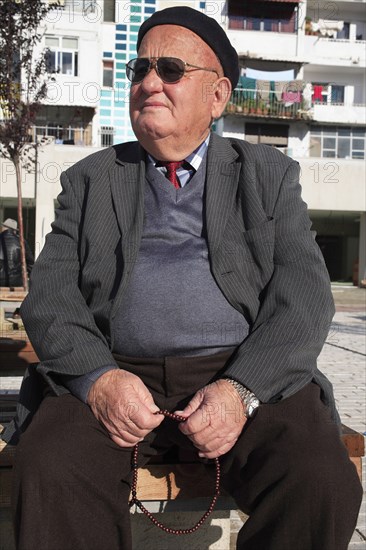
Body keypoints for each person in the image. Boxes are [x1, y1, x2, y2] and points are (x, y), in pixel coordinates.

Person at [2, 7, 361, 550]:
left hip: (240, 374)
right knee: (50, 469)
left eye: (170, 69)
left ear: (217, 97)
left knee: (319, 478)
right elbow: (52, 297)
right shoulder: (90, 181)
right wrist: (97, 379)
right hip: (116, 374)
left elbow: (304, 299)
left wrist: (242, 392)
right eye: (139, 69)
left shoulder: (268, 177)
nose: (149, 82)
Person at [0, 218, 34, 288]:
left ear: (4, 227)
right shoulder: (21, 241)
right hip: (16, 281)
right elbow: (30, 264)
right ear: (14, 231)